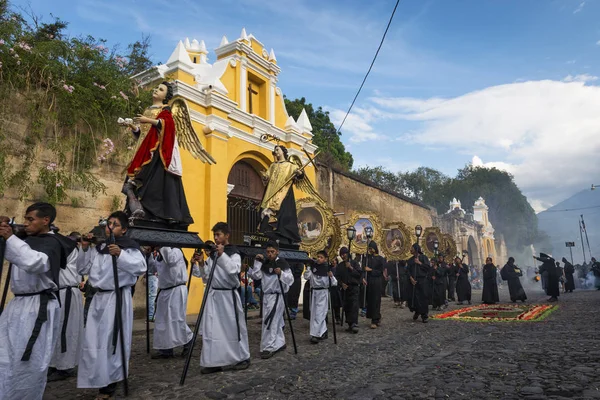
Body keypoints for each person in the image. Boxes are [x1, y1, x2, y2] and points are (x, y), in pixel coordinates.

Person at [0, 203, 75, 399]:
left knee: (28, 361)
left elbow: (36, 262)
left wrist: (10, 238)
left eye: (30, 219)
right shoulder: (25, 240)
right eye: (25, 219)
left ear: (46, 220)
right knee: (6, 356)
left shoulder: (51, 243)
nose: (26, 223)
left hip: (36, 307)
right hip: (17, 306)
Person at [76, 211, 147, 398]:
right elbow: (82, 269)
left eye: (114, 224)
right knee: (94, 339)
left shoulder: (130, 247)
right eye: (108, 223)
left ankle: (111, 380)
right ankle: (98, 375)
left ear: (123, 229)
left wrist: (121, 254)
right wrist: (84, 248)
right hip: (98, 299)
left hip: (116, 298)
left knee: (111, 340)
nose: (110, 227)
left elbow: (140, 267)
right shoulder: (99, 248)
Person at [122, 81, 213, 225]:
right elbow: (143, 135)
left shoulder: (166, 110)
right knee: (134, 182)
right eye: (157, 87)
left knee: (154, 185)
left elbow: (167, 126)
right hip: (143, 150)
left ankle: (154, 213)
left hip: (157, 155)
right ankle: (135, 211)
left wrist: (150, 120)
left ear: (166, 96)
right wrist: (133, 126)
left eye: (161, 89)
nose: (157, 90)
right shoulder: (147, 109)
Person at [191, 222, 250, 373]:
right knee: (213, 330)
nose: (216, 238)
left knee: (235, 328)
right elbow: (206, 278)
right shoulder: (212, 255)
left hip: (228, 296)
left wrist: (222, 254)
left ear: (227, 235)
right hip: (214, 296)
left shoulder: (233, 253)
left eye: (219, 235)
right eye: (214, 235)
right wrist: (201, 263)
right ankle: (214, 362)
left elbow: (233, 269)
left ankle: (242, 357)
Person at [48, 231, 83, 382]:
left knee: (66, 330)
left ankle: (65, 366)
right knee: (57, 329)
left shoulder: (68, 249)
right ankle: (54, 363)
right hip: (59, 292)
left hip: (67, 292)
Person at [249, 241, 294, 359]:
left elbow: (290, 279)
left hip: (277, 296)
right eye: (268, 252)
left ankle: (268, 347)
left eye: (272, 252)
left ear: (277, 251)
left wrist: (281, 274)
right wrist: (257, 262)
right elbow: (256, 276)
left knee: (270, 321)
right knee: (275, 321)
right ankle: (279, 342)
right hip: (266, 296)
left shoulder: (282, 263)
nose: (270, 254)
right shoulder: (265, 264)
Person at [149, 247, 193, 359]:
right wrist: (148, 254)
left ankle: (189, 342)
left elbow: (171, 260)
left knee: (176, 319)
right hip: (164, 290)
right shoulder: (160, 254)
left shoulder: (175, 251)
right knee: (162, 321)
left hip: (176, 289)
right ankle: (165, 349)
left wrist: (162, 246)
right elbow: (153, 268)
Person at [259, 145, 302, 244]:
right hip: (271, 190)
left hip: (283, 191)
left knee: (280, 210)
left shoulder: (290, 165)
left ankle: (279, 230)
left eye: (277, 150)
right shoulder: (273, 165)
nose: (276, 152)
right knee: (266, 209)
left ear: (283, 151)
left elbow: (299, 175)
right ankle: (265, 229)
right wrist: (265, 177)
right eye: (275, 150)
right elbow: (267, 177)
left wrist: (299, 173)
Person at [304, 251, 337, 344]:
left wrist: (331, 276)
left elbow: (334, 283)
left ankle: (315, 335)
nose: (319, 258)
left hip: (323, 292)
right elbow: (307, 277)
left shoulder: (327, 268)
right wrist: (309, 267)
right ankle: (323, 331)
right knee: (314, 313)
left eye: (321, 257)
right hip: (314, 292)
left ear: (325, 259)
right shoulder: (314, 267)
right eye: (318, 257)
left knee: (319, 313)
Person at [336, 247, 361, 333]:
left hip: (353, 288)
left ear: (348, 253)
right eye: (342, 254)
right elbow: (337, 277)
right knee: (347, 306)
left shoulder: (354, 263)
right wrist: (341, 284)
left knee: (354, 306)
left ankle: (354, 323)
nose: (343, 256)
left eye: (345, 254)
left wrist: (351, 268)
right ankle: (350, 324)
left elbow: (359, 274)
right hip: (345, 289)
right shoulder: (340, 266)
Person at [407, 244, 432, 323]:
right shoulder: (410, 260)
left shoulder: (424, 258)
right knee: (414, 298)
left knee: (423, 298)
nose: (410, 249)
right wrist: (411, 278)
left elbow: (428, 268)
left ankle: (424, 315)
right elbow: (407, 271)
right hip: (413, 281)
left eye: (412, 248)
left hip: (422, 280)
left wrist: (419, 263)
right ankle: (417, 311)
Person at [364, 241, 385, 329]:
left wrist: (371, 270)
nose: (370, 250)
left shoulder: (380, 259)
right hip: (369, 281)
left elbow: (380, 271)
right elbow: (363, 268)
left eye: (371, 248)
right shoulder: (367, 258)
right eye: (369, 248)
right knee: (370, 301)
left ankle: (375, 320)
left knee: (376, 300)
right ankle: (376, 316)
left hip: (377, 281)